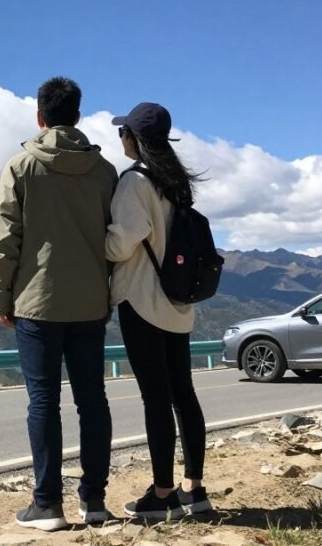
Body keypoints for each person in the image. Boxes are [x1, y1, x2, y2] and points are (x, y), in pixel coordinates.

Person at [0, 76, 119, 531]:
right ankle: (95, 501)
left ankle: (47, 504)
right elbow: (115, 240)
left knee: (43, 401)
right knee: (93, 400)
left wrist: (2, 297)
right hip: (89, 303)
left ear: (40, 116)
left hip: (36, 303)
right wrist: (108, 295)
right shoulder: (104, 172)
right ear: (78, 116)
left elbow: (5, 240)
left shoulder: (21, 166)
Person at [106, 102, 210, 519]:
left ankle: (163, 494)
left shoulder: (135, 182)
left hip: (142, 302)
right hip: (177, 302)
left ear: (134, 137)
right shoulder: (177, 183)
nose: (121, 139)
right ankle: (195, 489)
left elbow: (123, 241)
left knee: (155, 398)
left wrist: (94, 246)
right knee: (183, 393)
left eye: (122, 132)